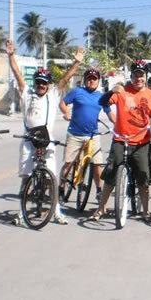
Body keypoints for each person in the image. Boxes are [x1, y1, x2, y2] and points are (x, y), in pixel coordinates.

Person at [7, 40, 84, 225]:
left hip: (47, 141)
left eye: (44, 83)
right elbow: (17, 74)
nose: (41, 86)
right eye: (38, 82)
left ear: (49, 85)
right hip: (28, 140)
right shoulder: (27, 94)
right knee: (26, 178)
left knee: (51, 178)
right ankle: (22, 212)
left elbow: (64, 79)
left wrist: (76, 63)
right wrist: (11, 56)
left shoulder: (53, 95)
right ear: (35, 83)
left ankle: (56, 211)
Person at [89, 60, 151, 223]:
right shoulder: (122, 91)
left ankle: (146, 212)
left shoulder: (150, 94)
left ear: (146, 77)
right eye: (136, 75)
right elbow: (102, 102)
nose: (139, 79)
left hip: (141, 141)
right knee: (111, 174)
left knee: (143, 178)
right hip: (120, 139)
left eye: (142, 76)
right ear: (131, 76)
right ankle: (101, 208)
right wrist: (112, 91)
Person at [58, 67, 117, 204]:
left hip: (93, 135)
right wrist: (66, 112)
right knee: (69, 163)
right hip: (75, 134)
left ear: (98, 81)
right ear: (85, 80)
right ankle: (61, 187)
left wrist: (118, 124)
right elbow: (63, 103)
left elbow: (110, 113)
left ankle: (99, 190)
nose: (92, 81)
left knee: (97, 163)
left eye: (94, 79)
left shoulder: (101, 97)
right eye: (89, 78)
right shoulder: (77, 92)